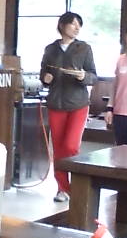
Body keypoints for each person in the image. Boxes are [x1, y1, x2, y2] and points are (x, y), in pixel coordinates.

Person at [40, 12, 97, 203]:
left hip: (78, 104)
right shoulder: (50, 49)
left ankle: (78, 186)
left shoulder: (84, 48)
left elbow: (93, 76)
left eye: (79, 25)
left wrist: (83, 76)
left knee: (71, 146)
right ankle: (63, 189)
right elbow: (43, 73)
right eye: (73, 24)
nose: (77, 28)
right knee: (58, 148)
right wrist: (45, 78)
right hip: (56, 103)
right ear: (62, 25)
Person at [105, 21, 127, 145]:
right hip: (120, 113)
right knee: (121, 148)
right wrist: (109, 109)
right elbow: (115, 86)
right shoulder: (120, 59)